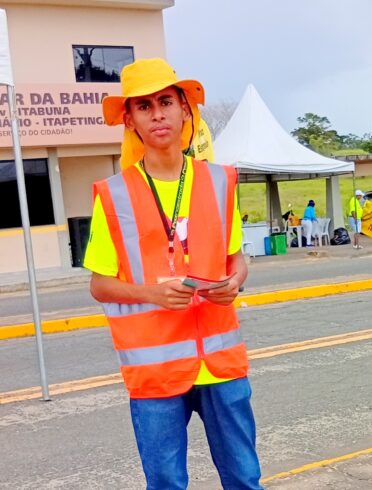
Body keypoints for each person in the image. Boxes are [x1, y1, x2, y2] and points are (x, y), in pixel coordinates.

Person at [83, 58, 263, 490]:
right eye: (144, 106)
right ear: (130, 120)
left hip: (220, 366)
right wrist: (152, 294)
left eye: (165, 102)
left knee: (244, 478)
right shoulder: (114, 195)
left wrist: (235, 281)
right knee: (165, 482)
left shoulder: (220, 181)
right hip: (156, 371)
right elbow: (99, 285)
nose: (157, 114)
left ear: (185, 109)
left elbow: (236, 259)